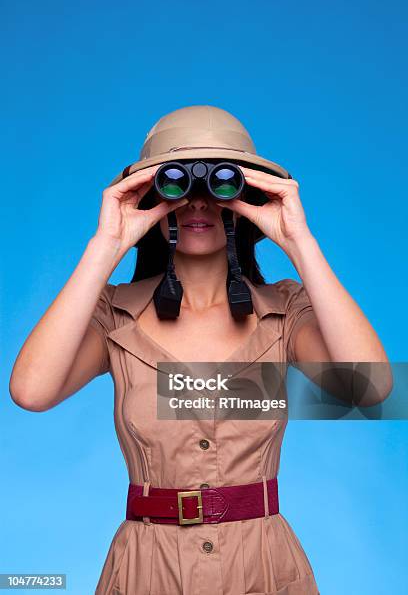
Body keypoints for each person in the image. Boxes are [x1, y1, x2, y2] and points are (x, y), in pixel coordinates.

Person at [9, 105, 392, 594]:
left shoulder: (285, 312)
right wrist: (107, 242)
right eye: (178, 185)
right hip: (148, 569)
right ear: (152, 193)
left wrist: (300, 241)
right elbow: (30, 391)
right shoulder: (113, 316)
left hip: (264, 569)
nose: (197, 203)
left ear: (243, 195)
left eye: (217, 184)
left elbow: (370, 390)